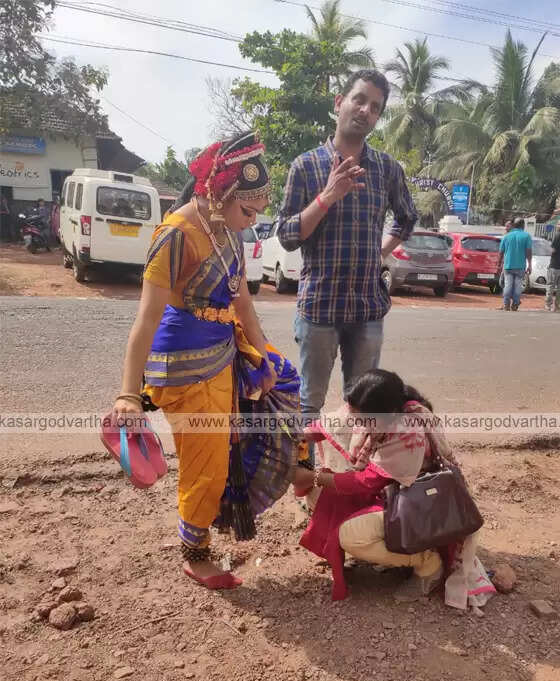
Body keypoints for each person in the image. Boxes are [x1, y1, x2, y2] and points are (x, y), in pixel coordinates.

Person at [112, 131, 306, 590]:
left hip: (223, 355)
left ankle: (210, 527)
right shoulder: (177, 234)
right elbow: (145, 320)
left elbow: (243, 307)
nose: (250, 222)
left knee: (246, 432)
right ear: (221, 192)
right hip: (182, 365)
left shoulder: (229, 235)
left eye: (258, 214)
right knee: (207, 463)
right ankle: (195, 554)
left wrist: (264, 357)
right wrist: (126, 394)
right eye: (247, 211)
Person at [277, 70, 418, 454]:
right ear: (339, 102)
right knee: (310, 404)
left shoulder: (388, 169)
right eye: (359, 99)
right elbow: (287, 235)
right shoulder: (305, 166)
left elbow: (407, 217)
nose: (365, 110)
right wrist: (327, 197)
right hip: (319, 307)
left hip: (368, 307)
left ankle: (357, 485)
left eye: (375, 107)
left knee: (367, 408)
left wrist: (381, 252)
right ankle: (308, 486)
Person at [293, 369, 457, 601]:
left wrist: (312, 476)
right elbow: (331, 423)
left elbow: (366, 482)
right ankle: (392, 549)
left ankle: (429, 564)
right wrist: (298, 436)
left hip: (419, 504)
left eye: (360, 419)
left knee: (349, 536)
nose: (355, 422)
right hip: (390, 493)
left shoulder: (407, 434)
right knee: (320, 495)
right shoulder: (371, 406)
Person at [497, 218, 532, 311]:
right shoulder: (527, 236)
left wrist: (499, 263)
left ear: (514, 225)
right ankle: (515, 304)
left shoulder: (507, 236)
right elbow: (528, 251)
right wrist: (530, 264)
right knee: (517, 286)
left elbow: (501, 251)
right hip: (520, 266)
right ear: (523, 226)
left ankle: (506, 304)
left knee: (508, 284)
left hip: (508, 265)